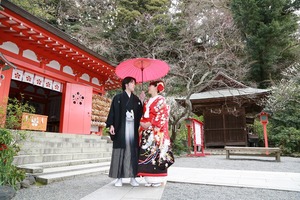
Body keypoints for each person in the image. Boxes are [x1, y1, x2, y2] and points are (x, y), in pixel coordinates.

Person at [106, 76, 143, 187]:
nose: (134, 85)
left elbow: (141, 114)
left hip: (132, 128)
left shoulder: (136, 99)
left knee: (133, 152)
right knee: (120, 152)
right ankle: (119, 178)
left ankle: (133, 177)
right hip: (121, 128)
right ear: (126, 84)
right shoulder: (118, 97)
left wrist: (141, 101)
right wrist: (111, 125)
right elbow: (112, 112)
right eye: (132, 83)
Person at [137, 80, 172, 187]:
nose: (148, 88)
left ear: (156, 87)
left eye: (150, 86)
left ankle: (157, 179)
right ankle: (148, 178)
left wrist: (151, 124)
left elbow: (163, 114)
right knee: (145, 153)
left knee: (156, 153)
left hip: (156, 131)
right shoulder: (147, 101)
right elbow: (143, 114)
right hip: (146, 130)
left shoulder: (161, 100)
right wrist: (141, 101)